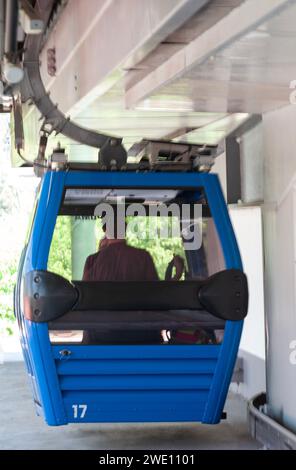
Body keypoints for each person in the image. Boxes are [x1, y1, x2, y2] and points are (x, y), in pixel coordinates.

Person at [82, 218, 161, 344]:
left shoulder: (93, 260)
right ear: (125, 231)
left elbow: (85, 299)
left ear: (106, 232)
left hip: (102, 335)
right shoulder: (143, 257)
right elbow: (158, 296)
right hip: (141, 335)